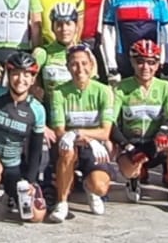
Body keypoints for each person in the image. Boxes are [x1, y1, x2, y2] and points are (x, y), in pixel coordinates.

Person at [46, 44, 118, 221]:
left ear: (92, 65)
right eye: (74, 64)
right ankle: (62, 203)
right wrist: (79, 136)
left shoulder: (103, 91)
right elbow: (60, 131)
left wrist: (81, 134)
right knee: (67, 150)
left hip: (93, 146)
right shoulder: (59, 93)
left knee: (100, 187)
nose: (80, 69)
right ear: (68, 67)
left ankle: (89, 186)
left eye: (84, 63)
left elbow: (105, 132)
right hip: (70, 145)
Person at [113, 39, 168, 207]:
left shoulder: (165, 87)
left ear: (157, 65)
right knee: (129, 170)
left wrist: (163, 132)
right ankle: (134, 179)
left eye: (151, 62)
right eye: (140, 61)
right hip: (132, 144)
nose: (145, 67)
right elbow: (110, 123)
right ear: (132, 62)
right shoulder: (120, 88)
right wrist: (126, 147)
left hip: (156, 143)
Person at [0, 51, 49, 223]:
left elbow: (35, 150)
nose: (20, 80)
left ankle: (11, 193)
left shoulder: (37, 110)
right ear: (8, 76)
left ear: (32, 79)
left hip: (13, 167)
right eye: (15, 74)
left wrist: (31, 181)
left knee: (36, 217)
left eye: (26, 75)